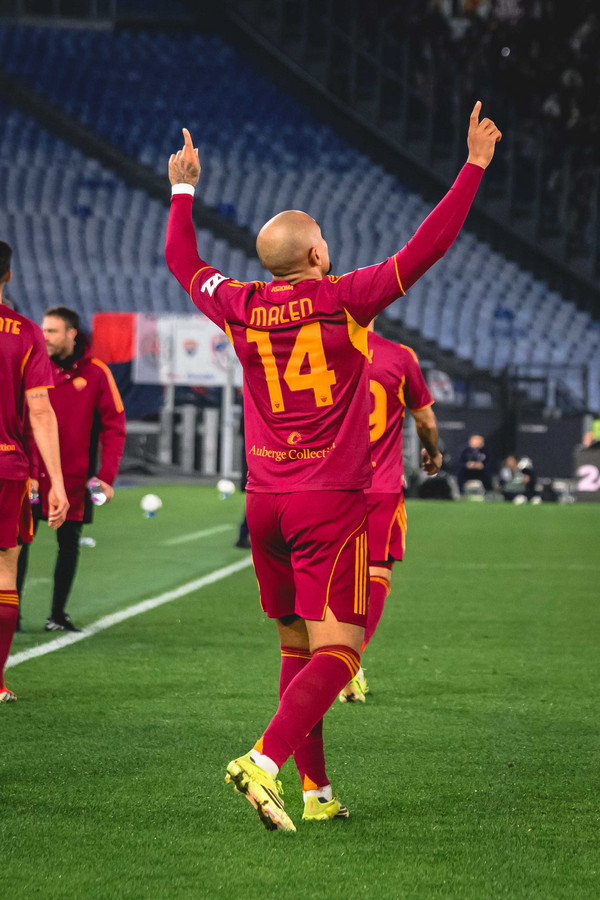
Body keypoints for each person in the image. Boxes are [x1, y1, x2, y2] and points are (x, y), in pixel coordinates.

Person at [165, 101, 501, 831]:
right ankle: (263, 760)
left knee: (297, 648)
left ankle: (316, 793)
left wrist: (183, 190)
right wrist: (474, 167)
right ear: (316, 255)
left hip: (264, 501)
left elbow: (183, 264)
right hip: (330, 500)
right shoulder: (345, 300)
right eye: (323, 241)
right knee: (343, 652)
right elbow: (426, 248)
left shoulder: (240, 303)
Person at [339, 325, 442, 703]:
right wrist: (433, 451)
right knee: (377, 573)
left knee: (330, 578)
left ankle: (326, 660)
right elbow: (425, 420)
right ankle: (347, 661)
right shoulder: (399, 356)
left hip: (328, 487)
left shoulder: (321, 349)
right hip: (380, 487)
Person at [17, 307, 126, 633]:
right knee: (18, 544)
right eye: (43, 330)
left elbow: (115, 426)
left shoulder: (96, 373)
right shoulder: (33, 367)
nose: (45, 337)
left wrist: (106, 476)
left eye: (52, 331)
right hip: (31, 476)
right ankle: (12, 615)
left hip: (75, 481)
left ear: (72, 334)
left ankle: (57, 615)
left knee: (68, 545)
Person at [0, 241, 69, 702]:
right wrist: (56, 482)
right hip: (7, 465)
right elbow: (40, 411)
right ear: (8, 276)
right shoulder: (25, 332)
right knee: (4, 571)